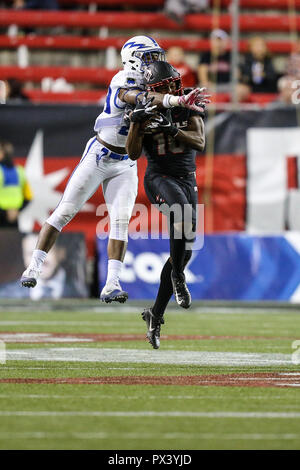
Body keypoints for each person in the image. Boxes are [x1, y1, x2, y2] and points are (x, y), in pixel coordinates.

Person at [20, 36, 205, 303]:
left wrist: (180, 101)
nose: (155, 62)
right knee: (65, 210)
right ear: (133, 58)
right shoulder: (124, 79)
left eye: (156, 57)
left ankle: (112, 284)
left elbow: (153, 112)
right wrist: (175, 102)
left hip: (125, 163)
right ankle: (34, 266)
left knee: (119, 222)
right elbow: (139, 96)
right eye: (149, 57)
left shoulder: (154, 82)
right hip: (100, 153)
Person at [126, 62, 208, 348]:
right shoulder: (145, 107)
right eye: (165, 87)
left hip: (187, 178)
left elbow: (199, 141)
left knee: (184, 251)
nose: (173, 90)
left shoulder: (188, 106)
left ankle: (155, 314)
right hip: (159, 177)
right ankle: (179, 279)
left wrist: (172, 129)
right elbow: (133, 153)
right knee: (181, 216)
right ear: (152, 90)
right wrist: (136, 122)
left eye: (174, 83)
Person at [0, 139, 33, 228]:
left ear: (3, 154)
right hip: (13, 218)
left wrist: (6, 212)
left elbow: (28, 196)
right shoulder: (20, 171)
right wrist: (16, 211)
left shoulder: (20, 171)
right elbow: (28, 197)